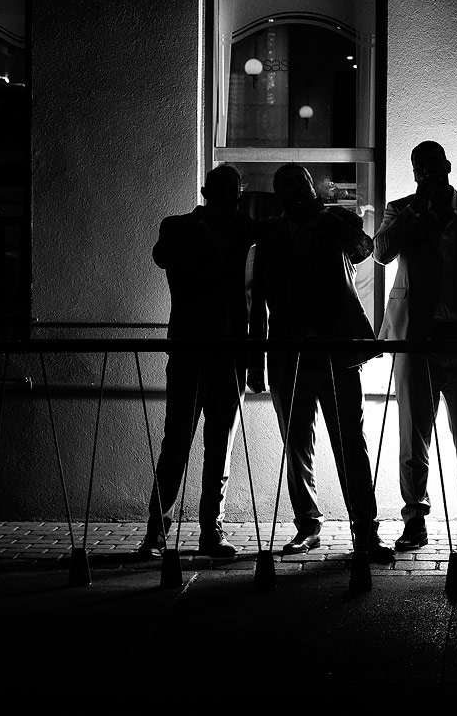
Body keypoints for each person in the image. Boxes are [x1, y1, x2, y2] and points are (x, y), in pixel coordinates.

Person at [246, 164, 394, 564]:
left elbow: (366, 251)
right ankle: (307, 526)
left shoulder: (336, 220)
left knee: (352, 442)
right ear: (277, 193)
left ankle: (365, 531)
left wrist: (325, 218)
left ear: (311, 187)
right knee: (296, 444)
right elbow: (256, 300)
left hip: (338, 350)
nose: (293, 188)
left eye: (300, 182)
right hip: (287, 354)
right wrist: (255, 362)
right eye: (285, 184)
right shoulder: (270, 235)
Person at [372, 141, 457, 553]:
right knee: (413, 438)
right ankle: (415, 520)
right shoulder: (401, 210)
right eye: (419, 167)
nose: (426, 172)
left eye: (433, 164)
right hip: (416, 341)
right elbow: (380, 253)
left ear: (448, 166)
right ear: (413, 173)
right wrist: (415, 210)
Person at [138, 164, 267, 560]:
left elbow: (257, 297)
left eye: (233, 190)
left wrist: (256, 360)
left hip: (230, 352)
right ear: (205, 190)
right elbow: (161, 257)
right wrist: (204, 226)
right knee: (175, 444)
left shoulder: (248, 229)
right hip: (190, 350)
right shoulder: (177, 226)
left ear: (239, 194)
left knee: (219, 448)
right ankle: (156, 533)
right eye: (220, 189)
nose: (227, 196)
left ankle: (211, 530)